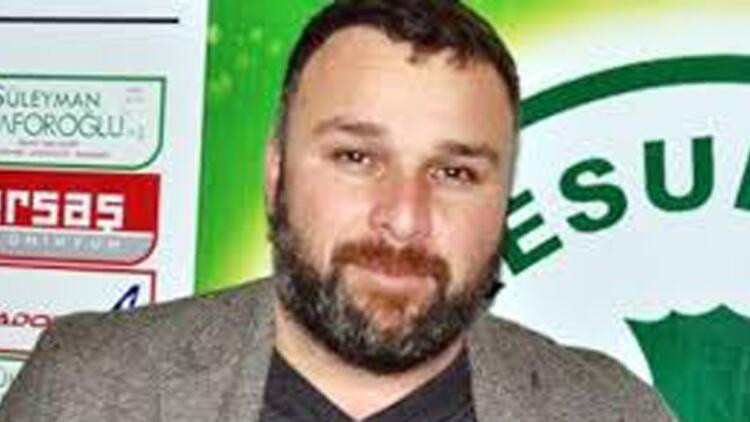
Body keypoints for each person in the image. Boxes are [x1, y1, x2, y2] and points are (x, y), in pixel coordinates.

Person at [0, 1, 676, 421]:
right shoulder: (87, 389)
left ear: (502, 197)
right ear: (276, 174)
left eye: (454, 172)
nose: (404, 218)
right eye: (356, 157)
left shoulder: (613, 412)